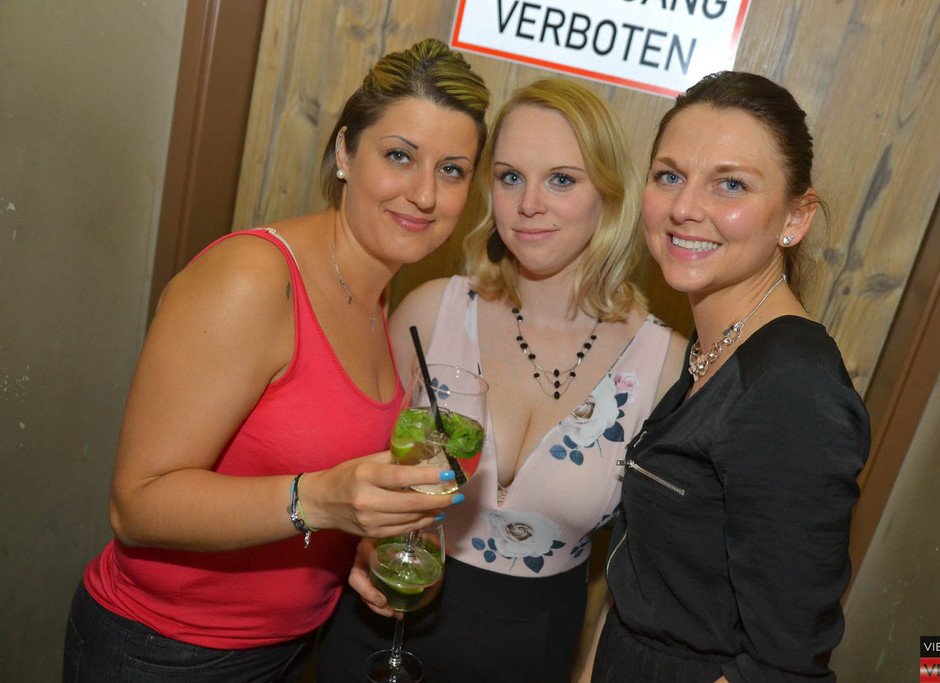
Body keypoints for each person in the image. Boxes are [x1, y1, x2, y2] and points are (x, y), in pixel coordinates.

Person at [61, 39, 489, 683]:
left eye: (452, 170)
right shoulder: (255, 278)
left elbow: (294, 466)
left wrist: (362, 541)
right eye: (399, 156)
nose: (425, 194)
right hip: (163, 652)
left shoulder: (377, 296)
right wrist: (321, 502)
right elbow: (136, 504)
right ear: (345, 152)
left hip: (288, 649)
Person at [316, 78, 687, 682]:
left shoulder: (665, 365)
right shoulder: (431, 311)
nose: (528, 204)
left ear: (609, 195)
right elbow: (349, 475)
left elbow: (642, 572)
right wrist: (363, 542)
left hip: (532, 652)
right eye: (511, 177)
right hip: (384, 624)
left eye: (561, 180)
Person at [589, 71, 871, 682]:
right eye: (670, 176)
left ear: (796, 217)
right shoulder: (719, 343)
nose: (685, 208)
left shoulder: (792, 389)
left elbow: (783, 666)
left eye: (731, 184)